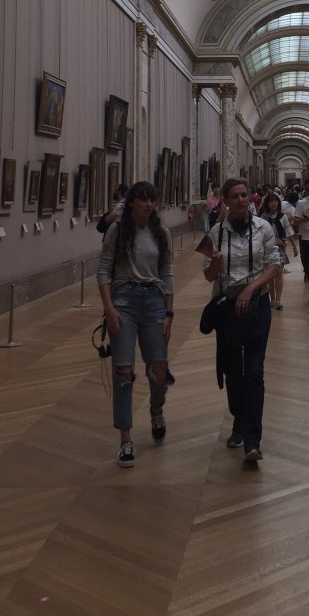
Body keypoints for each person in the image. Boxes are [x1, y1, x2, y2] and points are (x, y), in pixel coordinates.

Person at [201, 178, 281, 461]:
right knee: (233, 371)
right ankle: (239, 422)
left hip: (257, 305)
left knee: (254, 370)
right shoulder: (215, 233)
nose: (240, 200)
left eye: (244, 195)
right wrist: (214, 265)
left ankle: (252, 440)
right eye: (234, 196)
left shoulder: (263, 228)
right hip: (228, 309)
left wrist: (251, 288)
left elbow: (275, 265)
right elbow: (208, 276)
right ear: (224, 200)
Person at [97, 181, 174, 468]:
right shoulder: (118, 231)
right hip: (124, 301)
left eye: (152, 200)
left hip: (154, 301)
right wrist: (109, 308)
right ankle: (125, 439)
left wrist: (169, 313)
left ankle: (156, 409)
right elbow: (103, 270)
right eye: (143, 199)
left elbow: (166, 272)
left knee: (159, 368)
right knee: (123, 370)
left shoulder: (161, 232)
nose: (148, 204)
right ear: (131, 202)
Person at [258, 190, 296, 310]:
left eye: (275, 201)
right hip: (267, 249)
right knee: (270, 275)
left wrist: (294, 246)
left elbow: (289, 232)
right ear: (267, 204)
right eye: (271, 201)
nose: (273, 204)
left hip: (280, 248)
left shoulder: (282, 217)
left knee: (278, 273)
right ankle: (272, 299)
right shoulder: (263, 217)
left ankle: (278, 300)